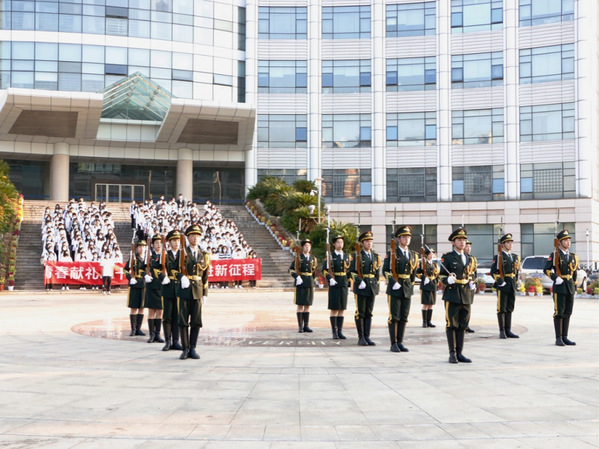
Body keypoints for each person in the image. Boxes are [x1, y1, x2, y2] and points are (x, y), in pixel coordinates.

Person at [440, 228, 475, 364]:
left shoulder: (470, 258)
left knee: (462, 325)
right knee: (452, 324)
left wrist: (473, 283)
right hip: (453, 294)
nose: (462, 242)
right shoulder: (448, 257)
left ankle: (460, 353)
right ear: (453, 242)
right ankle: (452, 353)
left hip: (466, 294)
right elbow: (441, 275)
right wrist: (447, 280)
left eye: (464, 240)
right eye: (459, 240)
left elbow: (472, 274)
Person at [383, 226, 419, 352]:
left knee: (404, 316)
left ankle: (400, 342)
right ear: (398, 239)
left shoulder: (413, 255)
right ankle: (393, 343)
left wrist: (411, 284)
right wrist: (393, 282)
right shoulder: (392, 253)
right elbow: (385, 270)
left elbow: (413, 272)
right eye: (404, 237)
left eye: (408, 237)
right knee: (394, 317)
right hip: (395, 287)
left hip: (407, 288)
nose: (407, 239)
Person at [177, 224, 210, 360]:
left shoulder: (204, 255)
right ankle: (185, 349)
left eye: (197, 236)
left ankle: (193, 348)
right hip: (184, 291)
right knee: (183, 321)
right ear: (188, 237)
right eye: (192, 235)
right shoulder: (182, 253)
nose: (195, 238)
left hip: (198, 291)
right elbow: (173, 269)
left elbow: (205, 276)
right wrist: (181, 277)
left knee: (196, 321)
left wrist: (205, 293)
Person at [544, 229, 579, 346]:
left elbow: (574, 273)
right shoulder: (555, 255)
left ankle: (565, 337)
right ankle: (558, 338)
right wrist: (555, 278)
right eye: (565, 240)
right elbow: (546, 269)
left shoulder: (573, 256)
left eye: (569, 240)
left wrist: (574, 287)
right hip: (560, 287)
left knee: (568, 312)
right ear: (559, 242)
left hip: (569, 287)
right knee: (559, 312)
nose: (568, 242)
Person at [349, 231, 381, 346]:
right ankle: (361, 336)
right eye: (367, 241)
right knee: (360, 312)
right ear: (362, 243)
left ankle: (367, 336)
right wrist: (359, 281)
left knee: (369, 313)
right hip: (361, 287)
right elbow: (351, 272)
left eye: (371, 241)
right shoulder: (357, 256)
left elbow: (377, 273)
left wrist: (376, 285)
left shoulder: (376, 256)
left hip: (371, 287)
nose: (369, 243)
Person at [491, 233, 520, 339]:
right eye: (508, 243)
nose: (510, 244)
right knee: (501, 308)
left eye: (511, 242)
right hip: (503, 284)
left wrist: (516, 282)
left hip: (512, 284)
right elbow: (493, 271)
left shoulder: (515, 257)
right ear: (502, 244)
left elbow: (516, 272)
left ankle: (508, 330)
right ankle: (502, 330)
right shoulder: (499, 257)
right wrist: (500, 281)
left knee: (510, 307)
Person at [322, 235, 350, 339]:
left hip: (343, 282)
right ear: (334, 244)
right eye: (338, 242)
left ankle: (340, 331)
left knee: (342, 308)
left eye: (341, 242)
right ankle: (334, 331)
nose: (340, 244)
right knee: (334, 308)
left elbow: (348, 271)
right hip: (334, 282)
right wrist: (330, 279)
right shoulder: (330, 256)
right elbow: (324, 270)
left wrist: (349, 285)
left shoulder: (346, 256)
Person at [159, 230, 183, 352]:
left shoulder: (183, 255)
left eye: (178, 240)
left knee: (177, 316)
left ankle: (176, 341)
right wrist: (163, 277)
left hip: (179, 288)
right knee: (167, 316)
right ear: (169, 242)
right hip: (168, 287)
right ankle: (168, 341)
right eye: (174, 240)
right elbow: (156, 269)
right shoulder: (165, 254)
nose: (176, 242)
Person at [289, 239, 317, 333]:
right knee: (300, 304)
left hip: (309, 282)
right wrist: (297, 277)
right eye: (306, 246)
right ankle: (300, 326)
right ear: (302, 247)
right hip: (300, 283)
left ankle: (306, 325)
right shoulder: (298, 258)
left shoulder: (313, 258)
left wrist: (313, 283)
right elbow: (291, 270)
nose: (307, 248)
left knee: (307, 305)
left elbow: (313, 272)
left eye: (309, 246)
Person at [144, 234, 165, 344]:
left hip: (161, 286)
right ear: (152, 244)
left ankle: (157, 334)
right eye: (156, 243)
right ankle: (151, 334)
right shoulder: (149, 256)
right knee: (151, 311)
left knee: (160, 311)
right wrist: (145, 275)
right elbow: (141, 269)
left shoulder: (164, 256)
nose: (158, 245)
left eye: (160, 243)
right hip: (151, 286)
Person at [125, 240, 147, 337]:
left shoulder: (147, 258)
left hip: (144, 284)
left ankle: (139, 328)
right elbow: (125, 270)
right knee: (134, 307)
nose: (142, 248)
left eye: (143, 246)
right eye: (140, 246)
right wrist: (130, 278)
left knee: (142, 308)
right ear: (137, 248)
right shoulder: (133, 258)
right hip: (134, 284)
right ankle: (133, 329)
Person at [418, 247, 439, 328]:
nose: (432, 255)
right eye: (430, 254)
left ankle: (429, 321)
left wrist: (437, 285)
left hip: (432, 285)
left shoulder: (434, 264)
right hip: (426, 285)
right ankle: (424, 321)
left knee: (431, 304)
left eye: (433, 254)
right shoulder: (423, 263)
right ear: (426, 255)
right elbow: (417, 273)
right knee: (425, 304)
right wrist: (424, 278)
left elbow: (436, 275)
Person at [464, 240, 477, 333]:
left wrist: (475, 283)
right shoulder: (462, 258)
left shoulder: (472, 258)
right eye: (467, 246)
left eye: (469, 247)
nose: (468, 248)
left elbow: (475, 272)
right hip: (464, 283)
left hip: (470, 283)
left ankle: (466, 324)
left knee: (468, 305)